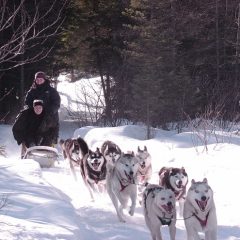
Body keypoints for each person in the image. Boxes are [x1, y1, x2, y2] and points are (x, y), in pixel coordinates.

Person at [25, 71, 61, 145]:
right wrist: (34, 109)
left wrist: (50, 111)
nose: (39, 81)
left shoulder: (51, 91)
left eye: (40, 79)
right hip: (35, 115)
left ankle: (50, 145)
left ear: (44, 80)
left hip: (49, 115)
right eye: (37, 79)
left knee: (50, 130)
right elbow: (27, 102)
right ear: (35, 80)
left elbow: (56, 103)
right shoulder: (32, 91)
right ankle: (30, 145)